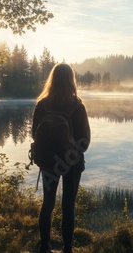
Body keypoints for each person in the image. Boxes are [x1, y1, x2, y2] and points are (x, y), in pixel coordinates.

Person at [31, 63, 91, 253]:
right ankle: (67, 249)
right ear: (71, 80)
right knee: (68, 206)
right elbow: (85, 140)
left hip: (48, 162)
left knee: (47, 204)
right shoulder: (77, 105)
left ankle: (45, 247)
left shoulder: (42, 104)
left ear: (52, 79)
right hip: (72, 163)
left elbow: (35, 134)